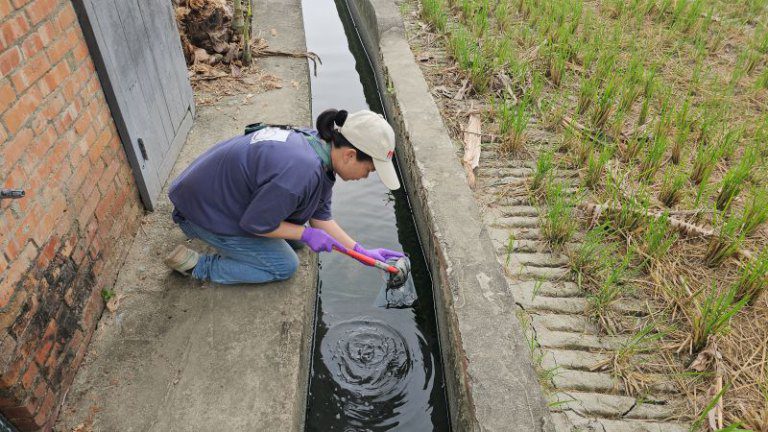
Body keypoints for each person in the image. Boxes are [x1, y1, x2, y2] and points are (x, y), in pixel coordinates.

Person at [163, 109, 405, 284]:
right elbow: (256, 224)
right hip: (199, 213)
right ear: (350, 156)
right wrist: (307, 233)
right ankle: (199, 266)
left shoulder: (320, 148)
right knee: (284, 265)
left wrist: (362, 252)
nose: (365, 177)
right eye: (369, 170)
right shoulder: (301, 171)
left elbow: (320, 217)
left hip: (213, 194)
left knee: (297, 239)